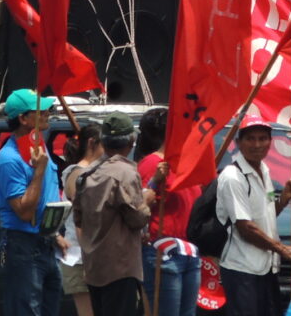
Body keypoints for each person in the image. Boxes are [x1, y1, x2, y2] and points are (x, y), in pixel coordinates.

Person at [73, 111, 156, 316]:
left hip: (95, 267)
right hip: (120, 268)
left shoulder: (87, 175)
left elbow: (79, 218)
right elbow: (137, 218)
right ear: (132, 140)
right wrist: (147, 201)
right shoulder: (125, 172)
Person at [216, 118, 291, 316]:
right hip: (242, 269)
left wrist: (283, 200)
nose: (257, 144)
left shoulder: (264, 170)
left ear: (271, 142)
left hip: (267, 268)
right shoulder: (232, 177)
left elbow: (264, 216)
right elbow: (246, 228)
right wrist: (283, 250)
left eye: (262, 138)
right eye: (251, 139)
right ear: (239, 142)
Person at [0, 89, 62, 316]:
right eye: (40, 110)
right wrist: (39, 172)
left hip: (47, 242)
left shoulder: (38, 148)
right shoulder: (9, 159)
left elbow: (49, 195)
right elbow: (24, 211)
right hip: (23, 244)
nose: (47, 113)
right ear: (23, 119)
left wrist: (56, 234)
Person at [136, 108, 202, 316]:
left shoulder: (184, 162)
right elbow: (140, 205)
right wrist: (155, 181)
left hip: (189, 251)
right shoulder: (153, 164)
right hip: (164, 252)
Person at [59, 122, 103, 316]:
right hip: (80, 257)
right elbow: (81, 219)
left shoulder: (97, 171)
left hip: (95, 255)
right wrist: (89, 257)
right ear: (92, 143)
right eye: (106, 143)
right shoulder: (76, 173)